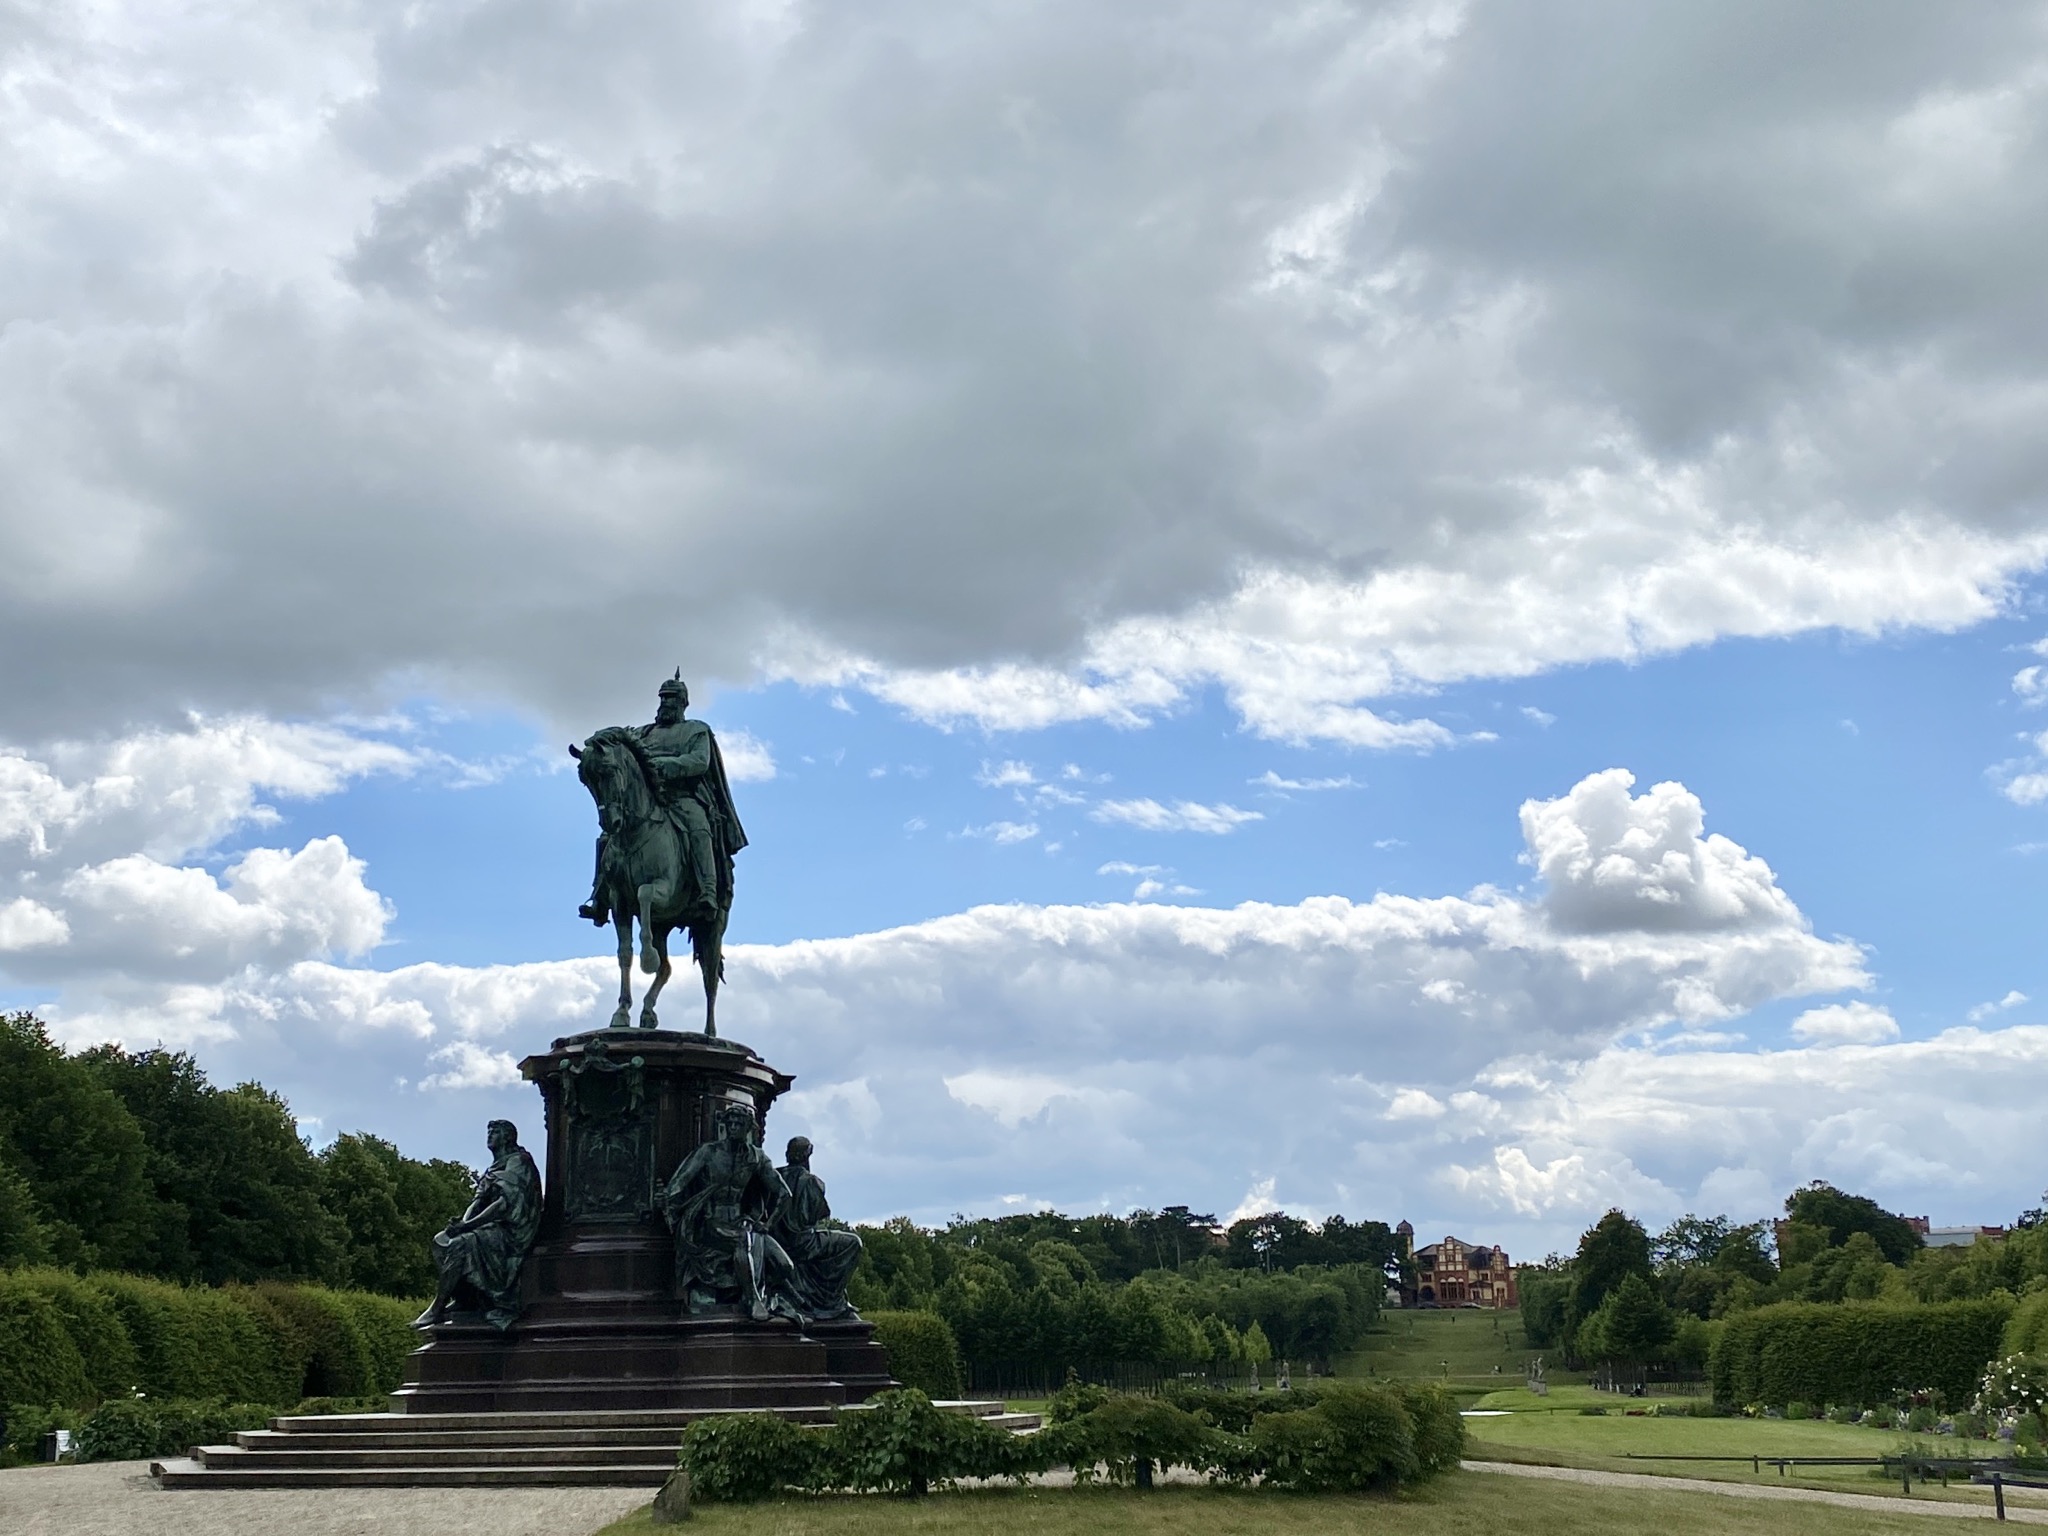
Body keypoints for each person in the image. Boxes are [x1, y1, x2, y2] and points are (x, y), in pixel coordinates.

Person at [581, 673, 748, 925]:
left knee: (699, 828)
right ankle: (600, 897)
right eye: (663, 697)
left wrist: (665, 764)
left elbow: (699, 762)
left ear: (683, 703)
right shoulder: (643, 732)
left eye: (672, 698)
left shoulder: (696, 730)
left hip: (683, 796)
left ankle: (708, 890)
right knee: (609, 836)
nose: (666, 703)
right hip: (646, 799)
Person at [660, 1103, 801, 1321]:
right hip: (709, 1222)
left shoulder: (756, 1157)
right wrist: (671, 1208)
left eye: (739, 1123)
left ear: (749, 1128)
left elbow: (785, 1194)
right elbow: (678, 1185)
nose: (734, 1127)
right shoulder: (708, 1152)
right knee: (742, 1242)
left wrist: (768, 1224)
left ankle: (771, 1298)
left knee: (784, 1265)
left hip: (741, 1222)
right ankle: (753, 1300)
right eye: (730, 1123)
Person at [415, 1120, 542, 1332]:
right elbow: (478, 1202)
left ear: (508, 1137)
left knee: (461, 1245)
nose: (490, 1135)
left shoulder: (519, 1162)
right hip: (493, 1227)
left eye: (496, 1131)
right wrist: (462, 1224)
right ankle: (466, 1297)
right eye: (489, 1131)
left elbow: (503, 1206)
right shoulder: (493, 1167)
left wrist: (467, 1228)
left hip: (514, 1231)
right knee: (441, 1241)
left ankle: (437, 1307)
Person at [775, 1136, 864, 1320]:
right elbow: (819, 1215)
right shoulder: (812, 1181)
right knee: (853, 1243)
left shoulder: (775, 1176)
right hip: (803, 1242)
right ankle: (831, 1298)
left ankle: (825, 1297)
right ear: (807, 1154)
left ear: (787, 1155)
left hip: (778, 1242)